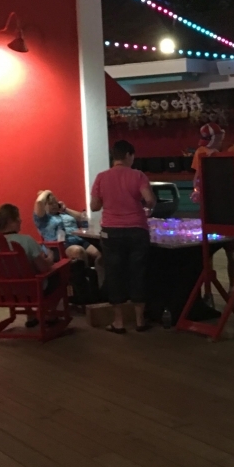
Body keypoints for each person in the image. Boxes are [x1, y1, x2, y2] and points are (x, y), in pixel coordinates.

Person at [90, 140, 156, 334]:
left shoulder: (101, 177)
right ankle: (140, 321)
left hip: (111, 232)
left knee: (114, 274)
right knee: (138, 272)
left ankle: (118, 322)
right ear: (128, 155)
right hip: (137, 230)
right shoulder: (138, 175)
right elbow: (150, 200)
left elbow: (94, 206)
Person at [0, 203, 59, 328]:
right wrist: (51, 258)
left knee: (20, 274)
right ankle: (49, 314)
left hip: (1, 293)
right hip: (31, 292)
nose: (21, 220)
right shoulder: (26, 240)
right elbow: (44, 268)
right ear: (10, 222)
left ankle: (31, 316)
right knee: (57, 273)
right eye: (17, 218)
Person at [190, 122, 234, 292]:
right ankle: (208, 290)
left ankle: (233, 287)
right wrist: (197, 189)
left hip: (229, 206)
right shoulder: (201, 152)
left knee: (231, 251)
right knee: (207, 252)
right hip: (209, 206)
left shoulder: (233, 149)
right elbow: (197, 177)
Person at [33, 190, 103, 285]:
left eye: (55, 202)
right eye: (50, 203)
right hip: (61, 246)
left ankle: (101, 285)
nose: (54, 205)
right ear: (44, 207)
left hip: (80, 240)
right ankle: (86, 285)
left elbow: (82, 218)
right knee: (78, 251)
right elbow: (39, 202)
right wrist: (47, 192)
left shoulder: (64, 213)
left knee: (100, 252)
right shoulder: (43, 219)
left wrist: (65, 209)